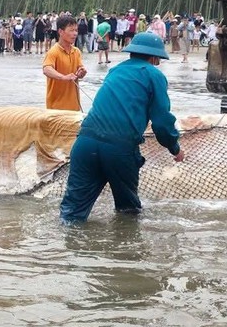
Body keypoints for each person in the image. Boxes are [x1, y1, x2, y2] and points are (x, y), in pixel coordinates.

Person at [59, 33, 184, 223]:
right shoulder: (154, 75)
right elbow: (162, 121)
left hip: (84, 143)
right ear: (154, 57)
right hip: (119, 149)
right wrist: (175, 148)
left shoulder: (115, 70)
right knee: (128, 212)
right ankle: (124, 249)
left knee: (71, 212)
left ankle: (64, 249)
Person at [42, 16, 87, 111]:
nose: (75, 34)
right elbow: (46, 69)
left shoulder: (76, 51)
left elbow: (80, 69)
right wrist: (63, 77)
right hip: (56, 108)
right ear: (61, 32)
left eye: (76, 30)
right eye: (71, 30)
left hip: (74, 107)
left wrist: (81, 72)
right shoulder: (53, 51)